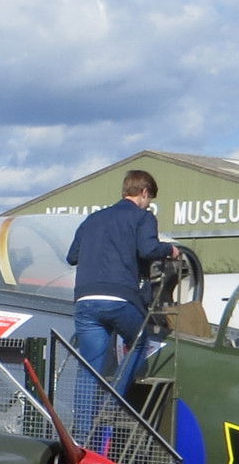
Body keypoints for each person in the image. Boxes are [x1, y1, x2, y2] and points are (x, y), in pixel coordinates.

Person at [64, 169, 172, 412]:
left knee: (88, 369)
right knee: (140, 341)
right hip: (119, 299)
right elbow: (148, 249)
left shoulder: (92, 219)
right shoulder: (143, 218)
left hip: (85, 299)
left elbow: (72, 257)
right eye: (149, 200)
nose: (148, 205)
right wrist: (169, 250)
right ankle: (115, 403)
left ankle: (82, 438)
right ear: (144, 193)